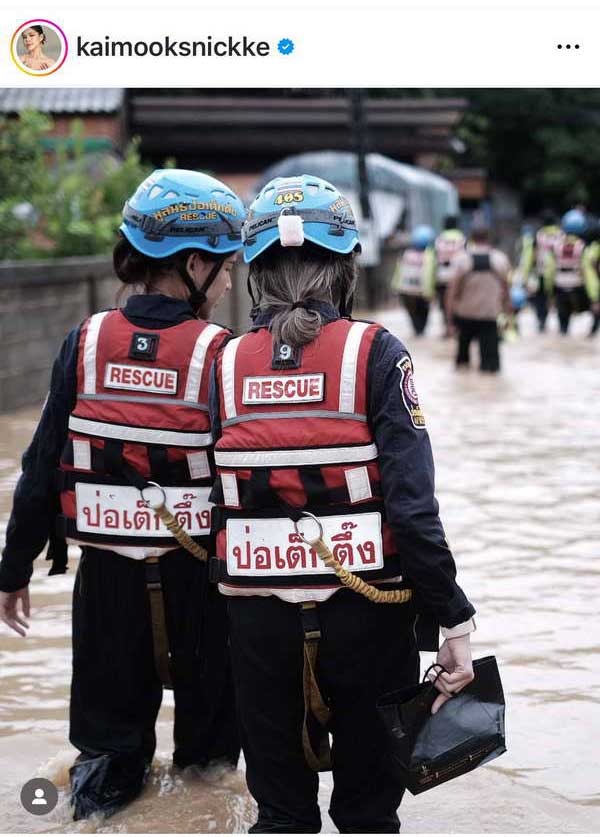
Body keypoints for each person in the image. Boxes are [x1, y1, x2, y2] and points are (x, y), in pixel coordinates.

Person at [208, 174, 476, 833]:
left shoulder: (223, 363)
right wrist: (456, 622)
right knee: (367, 813)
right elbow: (413, 512)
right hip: (371, 622)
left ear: (254, 271)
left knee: (280, 814)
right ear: (346, 266)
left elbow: (211, 507)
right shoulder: (377, 353)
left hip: (258, 631)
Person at [0, 169, 246, 819]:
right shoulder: (219, 353)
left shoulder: (83, 342)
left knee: (105, 762)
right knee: (213, 770)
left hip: (106, 584)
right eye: (223, 268)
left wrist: (14, 566)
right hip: (202, 591)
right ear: (192, 263)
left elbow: (42, 464)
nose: (227, 283)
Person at [445, 223, 511, 373]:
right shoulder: (500, 260)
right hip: (489, 316)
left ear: (472, 238)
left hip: (465, 316)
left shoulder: (460, 260)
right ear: (488, 238)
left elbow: (452, 293)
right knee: (491, 368)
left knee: (462, 365)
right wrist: (509, 316)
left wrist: (449, 320)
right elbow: (506, 291)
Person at [545, 209, 593, 334]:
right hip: (578, 286)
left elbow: (549, 270)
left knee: (563, 326)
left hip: (560, 285)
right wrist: (594, 294)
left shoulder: (556, 245)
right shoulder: (582, 246)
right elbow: (588, 271)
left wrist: (549, 289)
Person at [390, 224, 436, 336]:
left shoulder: (405, 254)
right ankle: (420, 332)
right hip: (421, 292)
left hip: (406, 291)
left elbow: (398, 273)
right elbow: (429, 276)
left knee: (413, 316)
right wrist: (430, 292)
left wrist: (395, 288)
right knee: (423, 317)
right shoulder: (429, 256)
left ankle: (417, 331)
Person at [434, 215, 466, 335]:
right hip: (458, 275)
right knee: (458, 301)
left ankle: (447, 327)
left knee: (443, 303)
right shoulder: (462, 237)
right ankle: (457, 328)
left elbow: (436, 258)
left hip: (442, 276)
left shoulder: (440, 238)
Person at [581, 219, 600, 337]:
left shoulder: (591, 247)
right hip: (593, 283)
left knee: (596, 309)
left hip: (593, 283)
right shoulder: (594, 247)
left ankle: (592, 331)